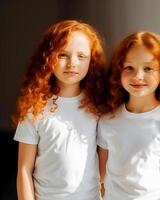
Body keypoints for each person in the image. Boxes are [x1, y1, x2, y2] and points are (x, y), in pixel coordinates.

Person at [97, 31, 160, 200]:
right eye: (129, 68)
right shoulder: (107, 122)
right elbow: (100, 176)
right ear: (118, 72)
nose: (138, 76)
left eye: (148, 68)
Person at [12, 20, 105, 200]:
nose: (72, 63)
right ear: (47, 57)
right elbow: (24, 170)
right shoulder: (35, 108)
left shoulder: (99, 107)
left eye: (81, 56)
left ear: (92, 61)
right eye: (63, 55)